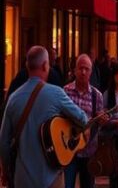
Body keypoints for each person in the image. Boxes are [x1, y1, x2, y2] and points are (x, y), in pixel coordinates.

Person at [0, 46, 88, 188]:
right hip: (50, 177)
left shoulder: (13, 99)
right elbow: (83, 119)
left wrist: (4, 171)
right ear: (45, 65)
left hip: (22, 179)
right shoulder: (56, 93)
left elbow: (3, 142)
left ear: (27, 66)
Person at [63, 54, 105, 188]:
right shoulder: (66, 91)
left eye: (87, 69)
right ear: (75, 70)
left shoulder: (96, 95)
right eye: (80, 68)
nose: (83, 72)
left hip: (88, 151)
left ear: (91, 72)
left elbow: (98, 126)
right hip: (68, 150)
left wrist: (101, 121)